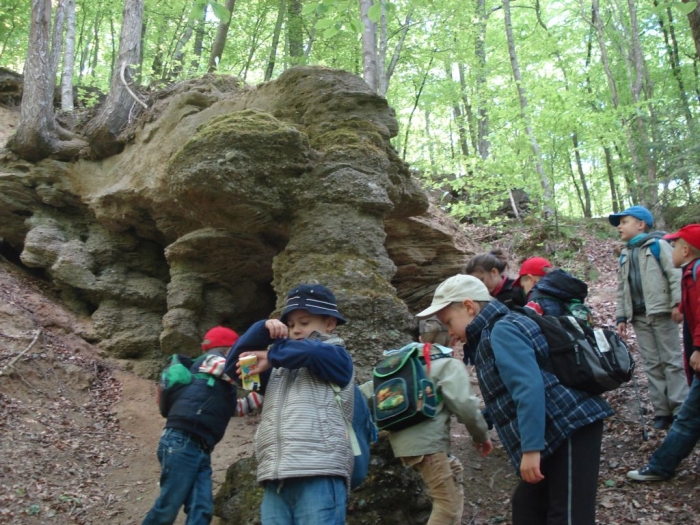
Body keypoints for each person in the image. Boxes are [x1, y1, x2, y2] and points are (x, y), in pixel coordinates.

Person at [417, 274, 613, 525]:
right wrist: (484, 421)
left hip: (571, 427)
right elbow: (508, 392)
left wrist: (531, 449)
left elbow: (528, 387)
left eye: (448, 322)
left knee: (568, 515)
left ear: (469, 307)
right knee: (527, 509)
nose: (450, 332)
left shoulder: (502, 330)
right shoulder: (490, 334)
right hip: (552, 431)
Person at [224, 283, 354, 525]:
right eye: (291, 325)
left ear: (330, 323)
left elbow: (312, 353)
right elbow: (234, 367)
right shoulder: (276, 370)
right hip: (276, 476)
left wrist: (272, 355)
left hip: (319, 471)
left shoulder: (337, 356)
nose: (296, 330)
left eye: (304, 323)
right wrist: (262, 329)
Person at [360, 320, 493, 525]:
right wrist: (481, 436)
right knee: (447, 507)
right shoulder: (448, 364)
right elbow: (466, 406)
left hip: (403, 442)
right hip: (428, 446)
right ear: (452, 339)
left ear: (421, 338)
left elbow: (366, 392)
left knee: (454, 475)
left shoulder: (401, 362)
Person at [142, 326, 240, 525]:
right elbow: (232, 371)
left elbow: (237, 408)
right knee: (168, 507)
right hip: (182, 441)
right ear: (229, 349)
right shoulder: (211, 360)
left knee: (201, 508)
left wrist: (264, 393)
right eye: (237, 350)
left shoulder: (218, 384)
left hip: (199, 447)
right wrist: (261, 368)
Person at [627, 224, 700, 481]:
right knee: (691, 416)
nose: (671, 250)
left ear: (686, 250)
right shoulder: (690, 273)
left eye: (674, 246)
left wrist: (699, 348)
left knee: (689, 417)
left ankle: (661, 466)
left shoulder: (696, 273)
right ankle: (662, 464)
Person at [609, 205, 688, 430]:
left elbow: (675, 275)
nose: (619, 227)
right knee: (652, 363)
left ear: (641, 225)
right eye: (619, 224)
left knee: (671, 361)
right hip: (639, 317)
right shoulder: (625, 254)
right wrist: (621, 317)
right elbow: (622, 288)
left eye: (624, 222)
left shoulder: (658, 246)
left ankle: (680, 408)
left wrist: (677, 304)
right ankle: (662, 411)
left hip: (662, 312)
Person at [517, 258, 591, 320]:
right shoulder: (565, 293)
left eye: (523, 286)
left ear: (531, 279)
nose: (523, 291)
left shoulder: (537, 300)